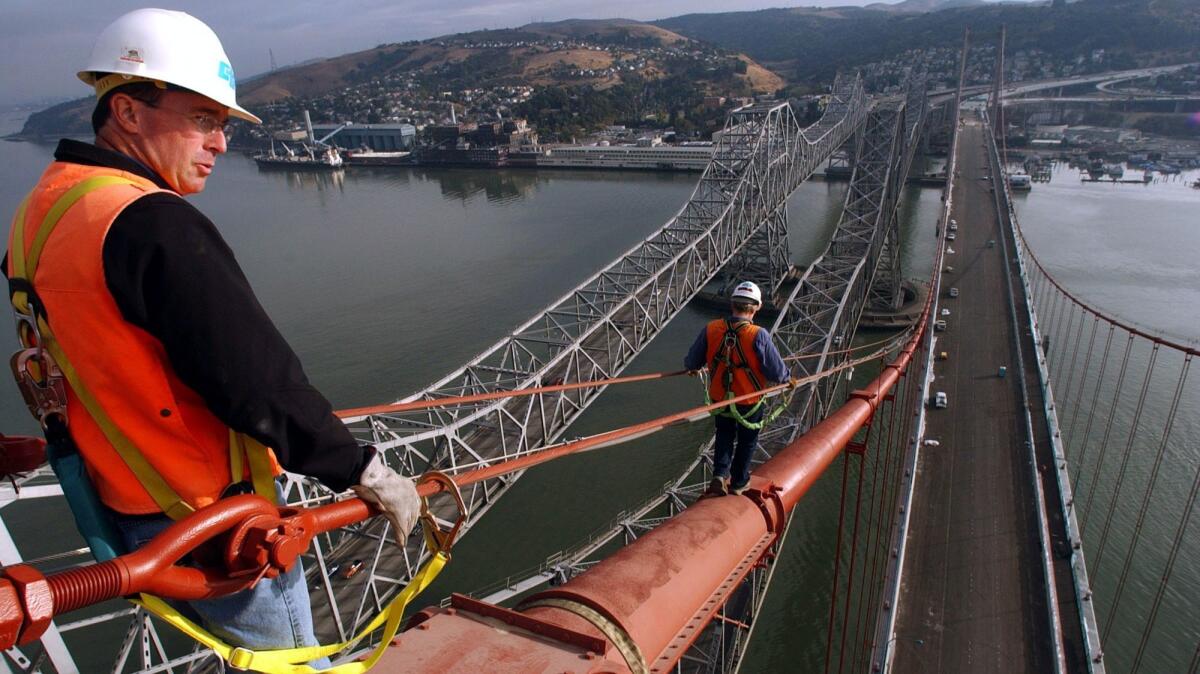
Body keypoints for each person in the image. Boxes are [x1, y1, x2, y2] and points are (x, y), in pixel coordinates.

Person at [4, 8, 419, 662]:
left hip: (130, 515)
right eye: (202, 120)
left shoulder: (41, 213)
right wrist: (358, 467)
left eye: (221, 124)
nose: (220, 143)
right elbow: (254, 380)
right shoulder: (150, 224)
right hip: (214, 524)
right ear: (128, 113)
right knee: (292, 661)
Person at [684, 281, 792, 496]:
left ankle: (719, 475)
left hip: (720, 398)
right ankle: (739, 482)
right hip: (749, 401)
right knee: (747, 440)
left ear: (732, 304)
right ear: (757, 308)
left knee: (723, 434)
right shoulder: (758, 334)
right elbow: (776, 372)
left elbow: (691, 362)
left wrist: (695, 368)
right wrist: (788, 379)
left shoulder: (712, 328)